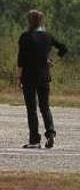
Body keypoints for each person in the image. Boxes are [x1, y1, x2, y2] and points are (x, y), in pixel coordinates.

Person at [17, 10, 68, 149]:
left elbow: (21, 59)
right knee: (45, 106)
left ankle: (34, 140)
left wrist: (19, 76)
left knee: (31, 108)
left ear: (29, 21)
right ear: (41, 21)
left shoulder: (25, 37)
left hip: (28, 75)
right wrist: (52, 60)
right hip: (44, 75)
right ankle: (50, 133)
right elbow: (63, 48)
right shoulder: (47, 36)